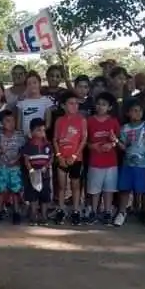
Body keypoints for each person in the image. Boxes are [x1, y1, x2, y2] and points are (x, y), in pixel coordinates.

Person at [114, 99, 145, 229]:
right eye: (134, 111)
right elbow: (123, 146)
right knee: (125, 190)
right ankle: (122, 212)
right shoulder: (124, 128)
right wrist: (117, 141)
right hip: (128, 164)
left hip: (144, 165)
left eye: (139, 111)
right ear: (128, 113)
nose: (138, 113)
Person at [52, 91, 88, 225]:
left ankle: (76, 211)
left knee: (75, 186)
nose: (74, 106)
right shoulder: (59, 120)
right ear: (63, 105)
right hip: (61, 157)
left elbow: (83, 139)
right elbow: (55, 139)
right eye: (71, 103)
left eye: (76, 104)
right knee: (61, 186)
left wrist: (74, 155)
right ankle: (61, 209)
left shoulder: (81, 120)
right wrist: (59, 155)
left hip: (76, 159)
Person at [86, 92, 121, 224]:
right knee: (94, 189)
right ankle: (94, 211)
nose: (100, 107)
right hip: (95, 161)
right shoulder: (89, 121)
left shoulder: (113, 121)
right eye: (99, 104)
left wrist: (112, 144)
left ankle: (107, 211)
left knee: (109, 189)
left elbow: (118, 139)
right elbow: (85, 141)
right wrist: (92, 146)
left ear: (110, 107)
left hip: (111, 162)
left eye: (104, 104)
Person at [0, 110, 25, 224]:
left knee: (15, 191)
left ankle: (16, 213)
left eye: (13, 121)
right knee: (0, 190)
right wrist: (0, 152)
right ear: (2, 122)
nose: (11, 123)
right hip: (1, 167)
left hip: (15, 167)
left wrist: (16, 160)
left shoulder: (19, 135)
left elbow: (22, 151)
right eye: (8, 121)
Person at [23, 118, 53, 224]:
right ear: (32, 132)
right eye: (38, 130)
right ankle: (33, 215)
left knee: (44, 195)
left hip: (45, 174)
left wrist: (46, 166)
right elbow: (26, 160)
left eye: (43, 130)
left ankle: (44, 216)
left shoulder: (48, 145)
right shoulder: (28, 145)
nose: (42, 132)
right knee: (33, 196)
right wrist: (31, 170)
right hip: (33, 174)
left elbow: (51, 158)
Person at [15, 71, 54, 137]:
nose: (32, 85)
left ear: (39, 84)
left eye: (35, 82)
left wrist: (37, 132)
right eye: (29, 84)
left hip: (40, 138)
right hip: (25, 137)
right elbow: (18, 126)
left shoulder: (47, 101)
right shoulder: (21, 102)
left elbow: (48, 124)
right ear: (26, 86)